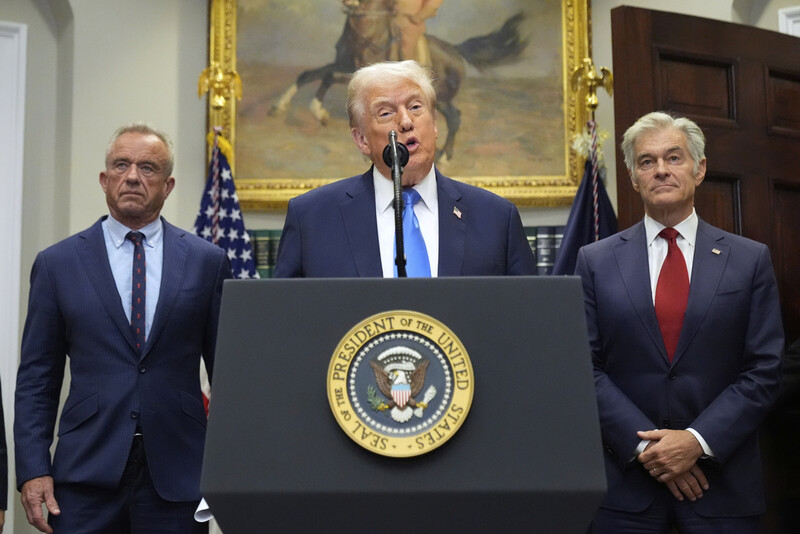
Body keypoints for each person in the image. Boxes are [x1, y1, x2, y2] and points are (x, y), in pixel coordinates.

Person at [14, 123, 232, 533]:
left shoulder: (207, 262)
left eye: (147, 168)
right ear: (104, 179)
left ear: (167, 186)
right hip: (84, 475)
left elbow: (230, 376)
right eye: (121, 165)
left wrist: (229, 468)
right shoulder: (58, 263)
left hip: (178, 473)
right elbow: (36, 379)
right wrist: (32, 469)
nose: (133, 176)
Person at [575, 111, 783, 533]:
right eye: (647, 161)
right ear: (634, 178)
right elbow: (583, 366)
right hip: (625, 492)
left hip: (721, 489)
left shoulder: (749, 260)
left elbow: (764, 369)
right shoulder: (595, 261)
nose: (662, 170)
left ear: (699, 168)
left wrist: (696, 442)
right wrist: (648, 450)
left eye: (674, 157)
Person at [274, 60, 534, 277]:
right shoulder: (311, 219)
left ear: (434, 124)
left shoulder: (496, 218)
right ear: (362, 139)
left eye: (415, 107)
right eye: (385, 113)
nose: (406, 122)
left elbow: (529, 321)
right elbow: (284, 321)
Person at [392, 0, 443, 67]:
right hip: (390, 16)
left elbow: (433, 4)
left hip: (409, 19)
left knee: (406, 47)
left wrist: (418, 17)